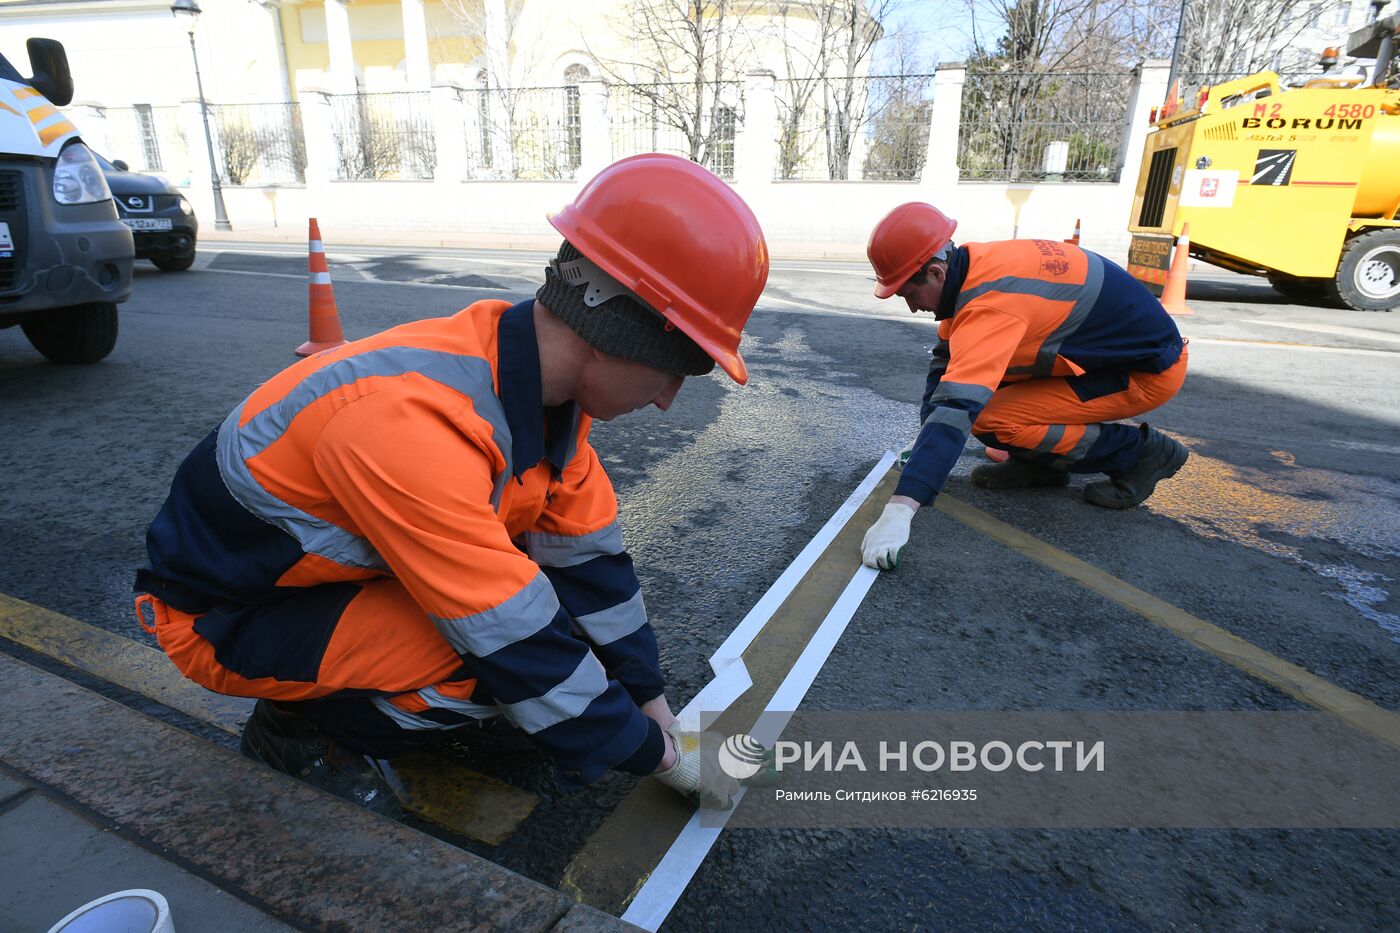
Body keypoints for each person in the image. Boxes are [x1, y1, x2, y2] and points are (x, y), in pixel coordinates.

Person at [133, 154, 768, 811]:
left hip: (328, 584)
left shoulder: (542, 404)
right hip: (224, 616)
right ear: (614, 332)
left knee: (561, 648)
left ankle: (456, 704)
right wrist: (659, 758)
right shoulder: (413, 423)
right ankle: (298, 732)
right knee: (497, 661)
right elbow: (511, 636)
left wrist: (655, 710)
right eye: (676, 370)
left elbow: (595, 570)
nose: (668, 398)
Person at [860, 202, 1190, 571]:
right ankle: (1042, 466)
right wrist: (925, 436)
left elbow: (956, 407)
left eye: (908, 294)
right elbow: (945, 364)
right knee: (985, 390)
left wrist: (902, 507)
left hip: (1143, 373)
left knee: (988, 417)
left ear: (936, 273)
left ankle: (1139, 453)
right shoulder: (972, 269)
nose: (910, 307)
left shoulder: (993, 304)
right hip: (1099, 358)